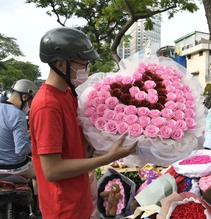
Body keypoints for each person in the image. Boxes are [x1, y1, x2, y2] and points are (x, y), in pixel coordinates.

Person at [29, 27, 137, 219]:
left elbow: (78, 147)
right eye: (83, 64)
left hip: (79, 200)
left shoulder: (69, 94)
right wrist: (109, 157)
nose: (86, 69)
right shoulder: (47, 105)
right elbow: (52, 170)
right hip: (63, 210)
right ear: (61, 64)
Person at [0, 79, 38, 178]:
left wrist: (26, 135)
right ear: (24, 97)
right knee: (46, 170)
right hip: (14, 168)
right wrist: (35, 142)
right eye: (30, 102)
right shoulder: (17, 114)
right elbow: (21, 150)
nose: (29, 106)